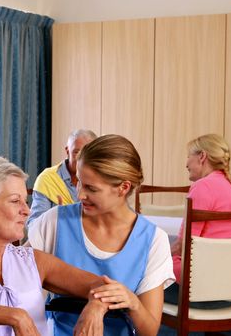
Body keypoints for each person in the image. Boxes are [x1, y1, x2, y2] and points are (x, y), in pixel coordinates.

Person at [0, 155, 131, 336]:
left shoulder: (33, 260)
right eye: (15, 201)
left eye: (26, 201)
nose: (27, 210)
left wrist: (95, 307)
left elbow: (104, 286)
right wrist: (15, 316)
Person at [27, 134, 175, 336]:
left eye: (91, 188)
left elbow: (149, 331)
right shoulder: (54, 221)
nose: (79, 194)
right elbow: (15, 272)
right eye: (79, 182)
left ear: (123, 188)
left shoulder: (153, 240)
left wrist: (132, 303)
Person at [165, 133, 231, 308]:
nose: (186, 163)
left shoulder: (202, 187)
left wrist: (156, 256)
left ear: (202, 156)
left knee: (141, 271)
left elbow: (183, 245)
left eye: (188, 156)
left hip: (202, 290)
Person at [28, 129, 97, 222]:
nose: (82, 160)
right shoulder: (47, 179)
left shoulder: (101, 180)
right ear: (67, 151)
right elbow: (34, 224)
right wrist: (58, 219)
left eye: (88, 154)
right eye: (77, 152)